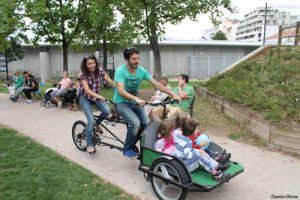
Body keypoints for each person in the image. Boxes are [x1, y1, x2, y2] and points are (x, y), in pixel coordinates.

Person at [113, 47, 180, 158]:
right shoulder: (121, 70)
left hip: (134, 103)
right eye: (134, 58)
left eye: (138, 58)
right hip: (121, 103)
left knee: (145, 124)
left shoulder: (141, 71)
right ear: (127, 59)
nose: (136, 61)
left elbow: (157, 84)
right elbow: (120, 91)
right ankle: (127, 149)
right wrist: (136, 98)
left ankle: (132, 143)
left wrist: (172, 94)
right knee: (135, 123)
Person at [78, 55, 115, 154]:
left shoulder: (101, 71)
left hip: (96, 96)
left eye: (93, 63)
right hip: (84, 97)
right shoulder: (83, 74)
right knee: (90, 120)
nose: (91, 65)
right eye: (89, 63)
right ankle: (89, 145)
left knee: (106, 111)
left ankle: (97, 124)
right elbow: (86, 90)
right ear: (86, 65)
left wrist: (120, 88)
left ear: (96, 63)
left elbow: (111, 82)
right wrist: (99, 97)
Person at [174, 117, 230, 181]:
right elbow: (186, 155)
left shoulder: (179, 136)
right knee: (198, 156)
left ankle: (216, 166)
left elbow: (184, 151)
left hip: (178, 161)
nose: (197, 130)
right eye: (196, 129)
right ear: (191, 132)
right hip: (183, 166)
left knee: (200, 151)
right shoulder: (188, 141)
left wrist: (197, 151)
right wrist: (196, 152)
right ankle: (215, 174)